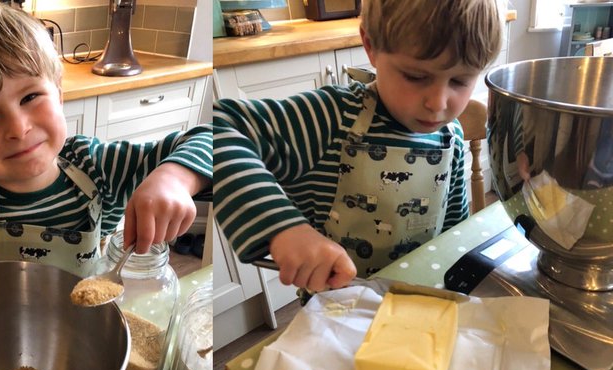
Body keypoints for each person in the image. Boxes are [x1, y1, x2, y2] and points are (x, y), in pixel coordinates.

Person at [0, 0, 212, 272]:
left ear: (59, 96)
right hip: (1, 327)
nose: (18, 128)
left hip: (86, 324)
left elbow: (211, 141)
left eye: (30, 98)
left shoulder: (100, 167)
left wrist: (174, 178)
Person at [211, 0, 503, 293]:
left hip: (419, 305)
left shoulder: (450, 135)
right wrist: (283, 229)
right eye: (416, 77)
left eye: (460, 80)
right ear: (370, 46)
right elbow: (222, 127)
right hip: (338, 314)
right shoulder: (331, 118)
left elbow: (452, 237)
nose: (438, 103)